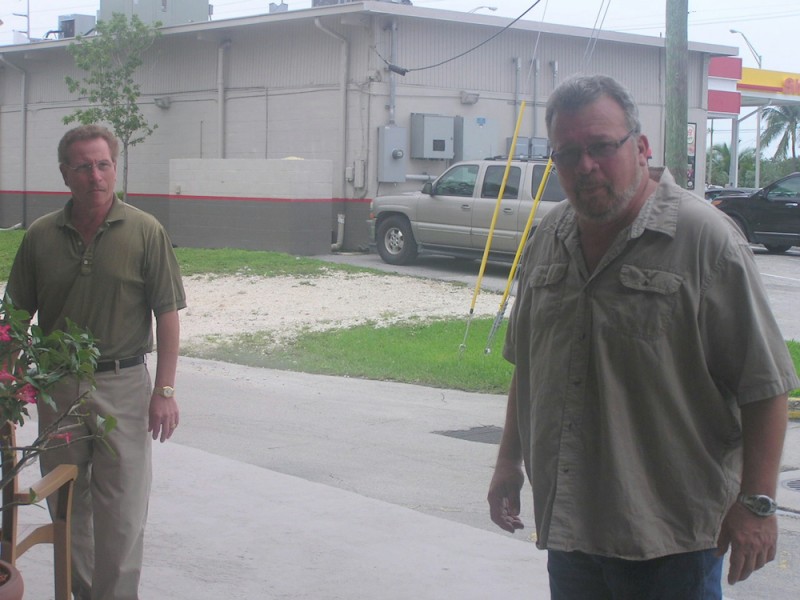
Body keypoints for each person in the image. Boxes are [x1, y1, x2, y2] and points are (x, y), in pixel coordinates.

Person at [487, 75, 799, 599]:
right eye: (567, 154)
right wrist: (506, 461)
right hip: (572, 528)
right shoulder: (547, 238)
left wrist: (758, 503)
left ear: (641, 146)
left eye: (602, 147)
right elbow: (530, 363)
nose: (585, 166)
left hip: (671, 539)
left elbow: (765, 385)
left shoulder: (706, 241)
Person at [5, 124, 186, 599]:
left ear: (115, 168)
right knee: (66, 507)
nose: (95, 175)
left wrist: (163, 390)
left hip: (124, 386)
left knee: (122, 513)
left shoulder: (145, 231)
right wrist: (9, 384)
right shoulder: (41, 236)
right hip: (58, 387)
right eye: (83, 166)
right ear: (65, 173)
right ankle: (79, 593)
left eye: (103, 164)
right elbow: (16, 318)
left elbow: (167, 315)